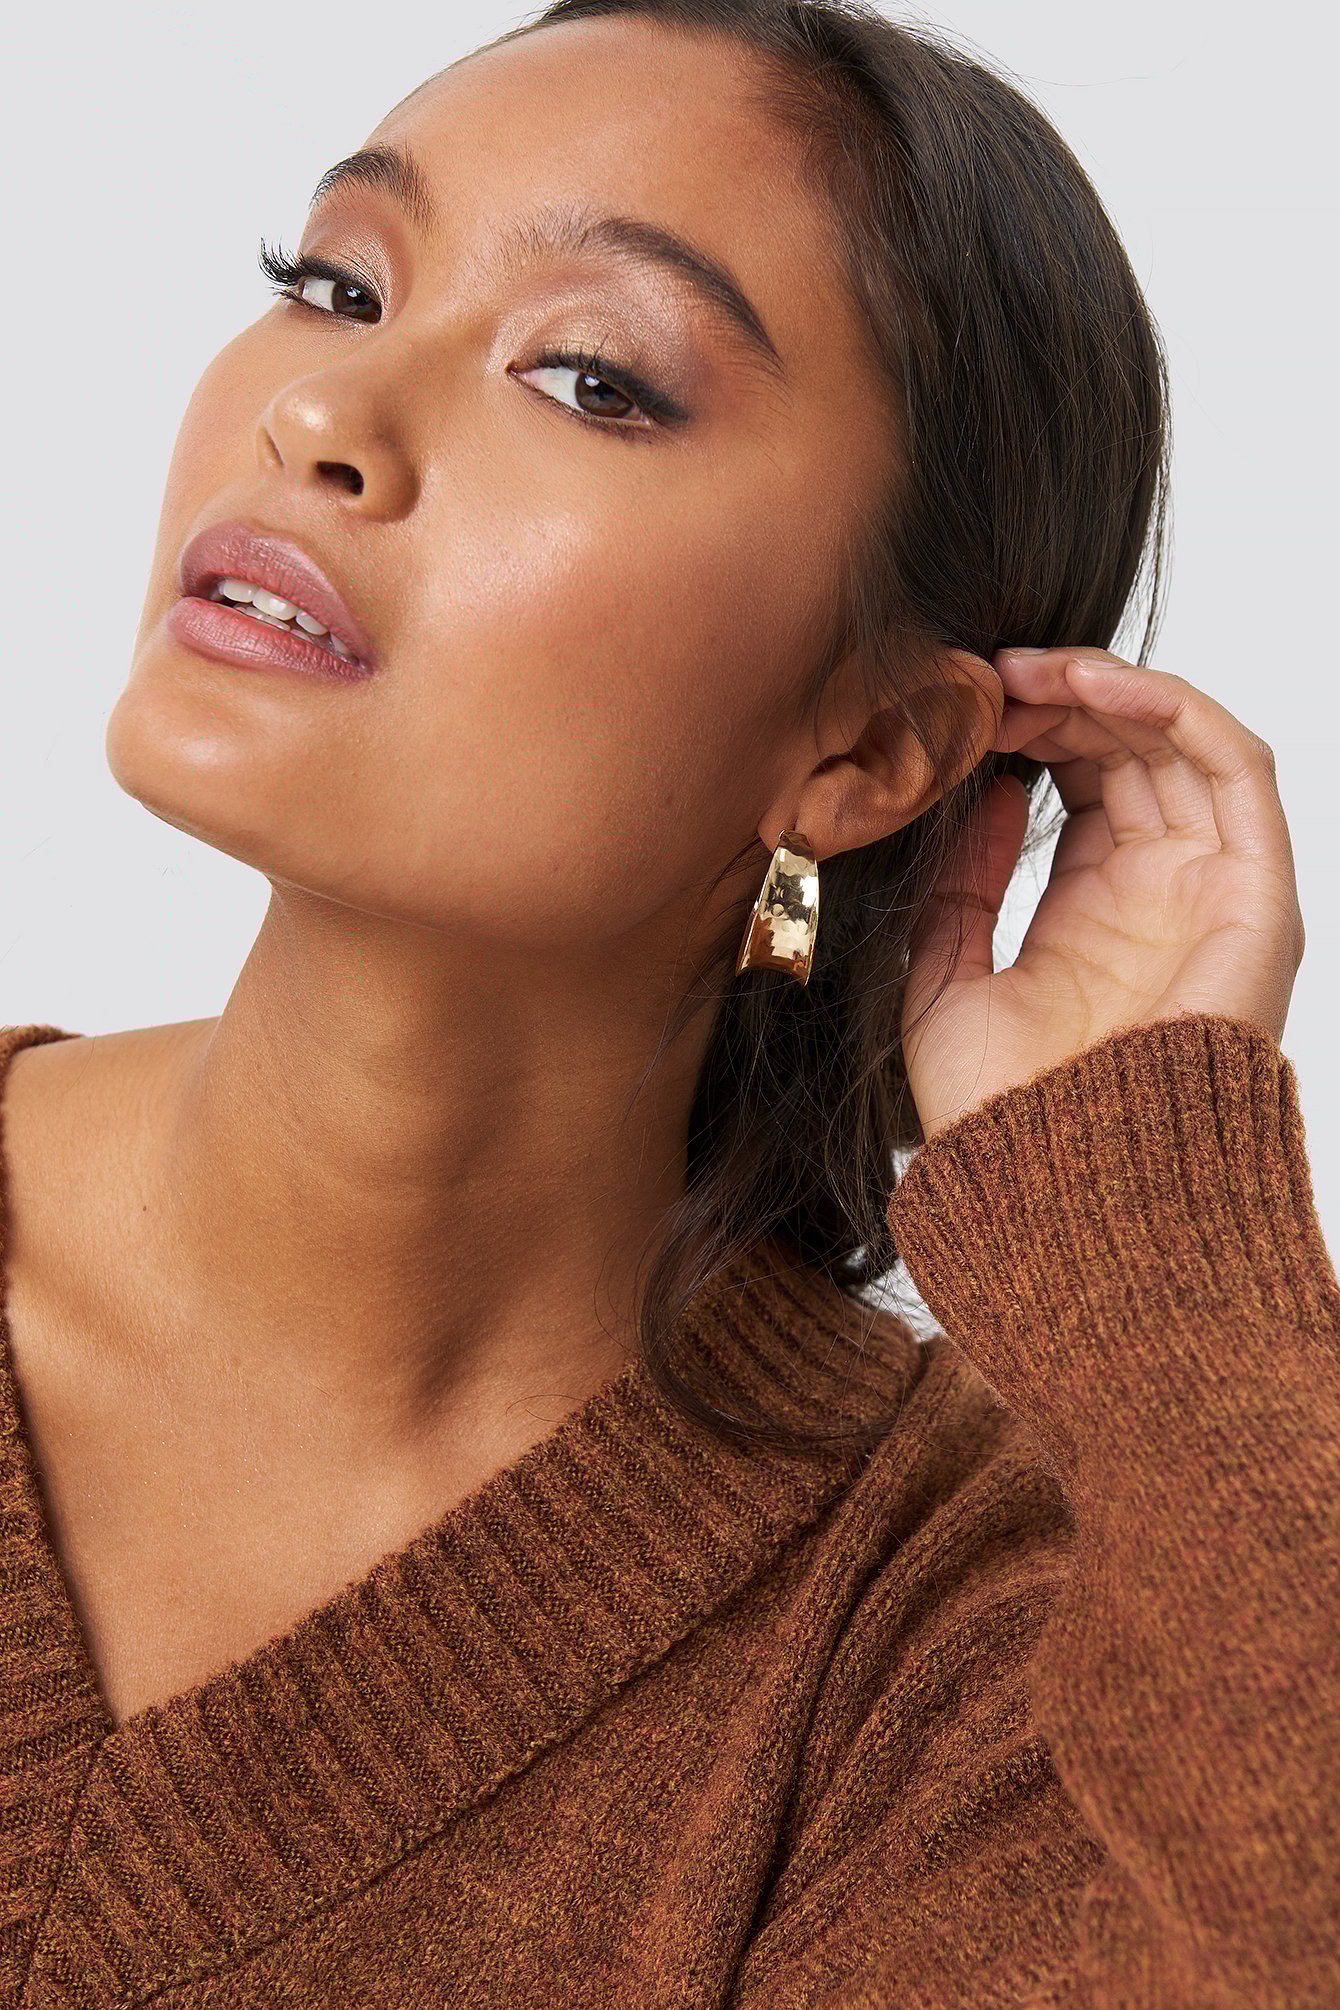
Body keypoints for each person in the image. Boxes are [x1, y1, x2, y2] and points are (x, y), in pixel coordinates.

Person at [0, 0, 1333, 2002]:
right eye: (335, 281)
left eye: (593, 378)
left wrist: (1148, 1240)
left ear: (868, 747)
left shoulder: (936, 1647)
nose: (323, 411)